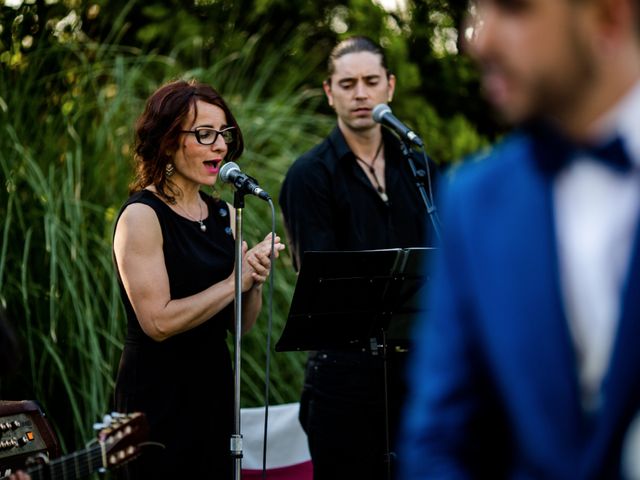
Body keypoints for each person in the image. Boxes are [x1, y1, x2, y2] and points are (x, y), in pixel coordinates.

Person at [400, 0, 640, 478]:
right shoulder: (472, 201)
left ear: (608, 18)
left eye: (513, 9)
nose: (477, 39)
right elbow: (438, 443)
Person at [279, 36, 438, 479]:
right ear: (330, 93)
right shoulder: (310, 175)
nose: (361, 94)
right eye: (347, 84)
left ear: (390, 86)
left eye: (371, 81)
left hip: (417, 370)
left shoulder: (418, 165)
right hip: (344, 379)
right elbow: (324, 282)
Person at [112, 80, 285, 479]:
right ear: (168, 141)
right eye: (204, 134)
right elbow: (157, 323)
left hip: (213, 389)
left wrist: (253, 279)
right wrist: (233, 282)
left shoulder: (224, 213)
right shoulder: (142, 216)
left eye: (224, 134)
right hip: (157, 399)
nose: (220, 146)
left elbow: (239, 325)